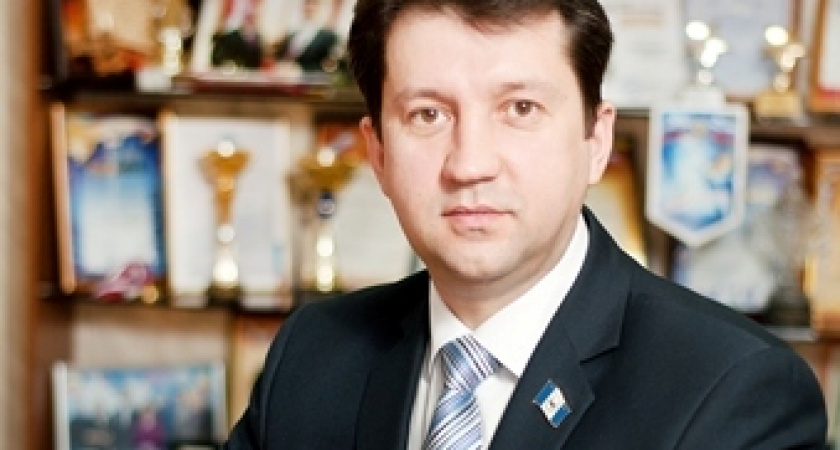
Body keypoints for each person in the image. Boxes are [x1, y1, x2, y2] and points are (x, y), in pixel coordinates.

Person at [225, 0, 828, 448]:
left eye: (520, 109)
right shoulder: (312, 354)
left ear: (596, 140)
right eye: (428, 114)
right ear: (378, 153)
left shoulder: (735, 390)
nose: (470, 164)